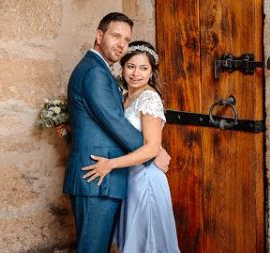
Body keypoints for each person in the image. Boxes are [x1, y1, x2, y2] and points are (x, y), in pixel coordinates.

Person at [62, 12, 171, 253]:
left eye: (126, 39)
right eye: (116, 36)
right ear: (99, 35)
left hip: (107, 177)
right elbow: (115, 122)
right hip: (97, 177)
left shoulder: (97, 69)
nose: (122, 44)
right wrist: (155, 151)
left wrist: (153, 147)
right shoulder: (95, 72)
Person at [82, 41, 180, 253]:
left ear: (152, 72)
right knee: (131, 243)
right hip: (130, 179)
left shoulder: (149, 98)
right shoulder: (124, 97)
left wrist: (110, 164)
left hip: (146, 178)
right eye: (131, 66)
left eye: (144, 68)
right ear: (123, 67)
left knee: (147, 244)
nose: (136, 73)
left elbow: (152, 149)